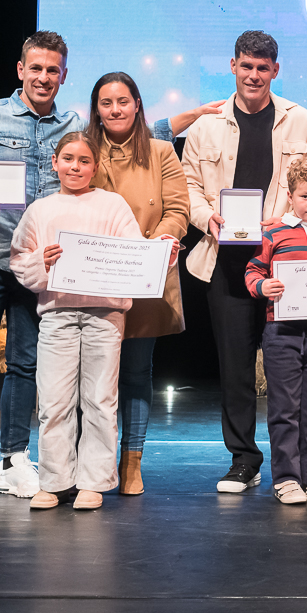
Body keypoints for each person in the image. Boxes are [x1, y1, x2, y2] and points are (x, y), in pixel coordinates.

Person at [0, 31, 212, 507]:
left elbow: (135, 130)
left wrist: (192, 116)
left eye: (52, 70)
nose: (43, 77)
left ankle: (15, 461)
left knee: (26, 367)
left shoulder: (72, 126)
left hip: (56, 274)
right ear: (21, 70)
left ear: (63, 75)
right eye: (35, 68)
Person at [182, 30, 307, 495]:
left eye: (263, 68)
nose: (254, 75)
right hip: (224, 260)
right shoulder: (206, 126)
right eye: (247, 66)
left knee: (291, 370)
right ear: (233, 66)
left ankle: (298, 463)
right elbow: (188, 187)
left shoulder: (300, 121)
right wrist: (207, 218)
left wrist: (284, 222)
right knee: (236, 369)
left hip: (285, 261)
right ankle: (244, 459)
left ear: (275, 70)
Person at [10, 133, 180, 510]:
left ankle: (94, 482)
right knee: (54, 400)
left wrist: (160, 255)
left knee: (100, 399)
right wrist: (42, 262)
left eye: (84, 161)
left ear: (96, 167)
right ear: (54, 163)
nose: (75, 167)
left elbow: (132, 254)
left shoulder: (112, 204)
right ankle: (54, 481)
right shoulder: (40, 209)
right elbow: (20, 259)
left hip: (105, 315)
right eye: (68, 159)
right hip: (57, 314)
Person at [85, 72, 190, 495]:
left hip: (145, 275)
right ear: (97, 109)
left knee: (135, 372)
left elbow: (178, 209)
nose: (115, 110)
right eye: (106, 103)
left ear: (137, 104)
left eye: (123, 101)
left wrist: (161, 241)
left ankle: (131, 462)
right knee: (93, 377)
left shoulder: (162, 151)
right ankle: (92, 462)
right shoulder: (85, 150)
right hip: (96, 275)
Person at [245, 156, 307, 504]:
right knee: (285, 409)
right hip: (282, 333)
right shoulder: (273, 233)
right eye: (305, 196)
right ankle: (286, 478)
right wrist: (263, 286)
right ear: (290, 196)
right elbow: (252, 271)